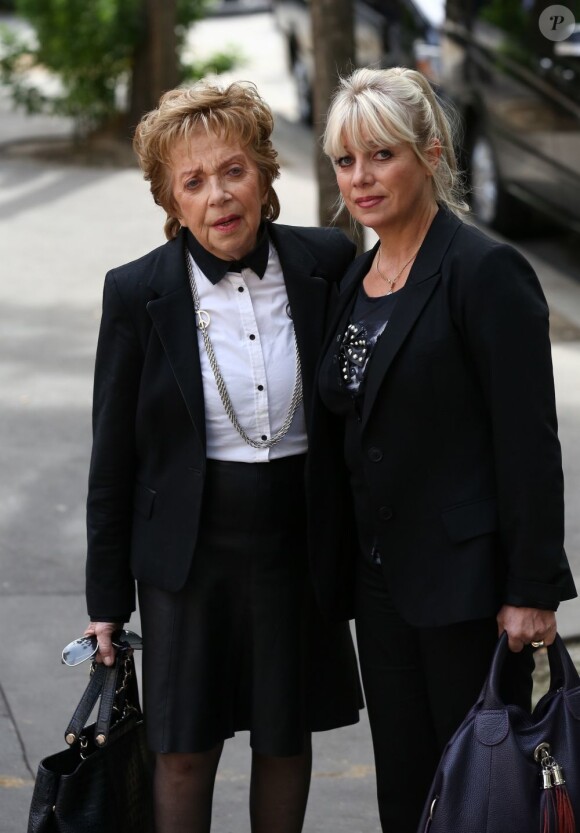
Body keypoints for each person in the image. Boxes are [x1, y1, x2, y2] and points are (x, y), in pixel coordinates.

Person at [82, 80, 362, 833]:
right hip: (186, 555)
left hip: (295, 543)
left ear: (267, 173)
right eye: (194, 182)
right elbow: (112, 458)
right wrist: (105, 603)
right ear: (170, 202)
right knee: (182, 747)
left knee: (284, 733)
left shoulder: (329, 262)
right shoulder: (136, 291)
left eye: (233, 169)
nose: (218, 196)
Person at [313, 66, 577, 833]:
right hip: (379, 584)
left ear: (431, 155)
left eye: (381, 155)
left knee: (480, 788)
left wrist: (532, 588)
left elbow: (529, 442)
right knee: (407, 788)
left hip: (466, 587)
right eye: (344, 160)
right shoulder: (358, 278)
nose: (360, 178)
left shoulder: (484, 272)